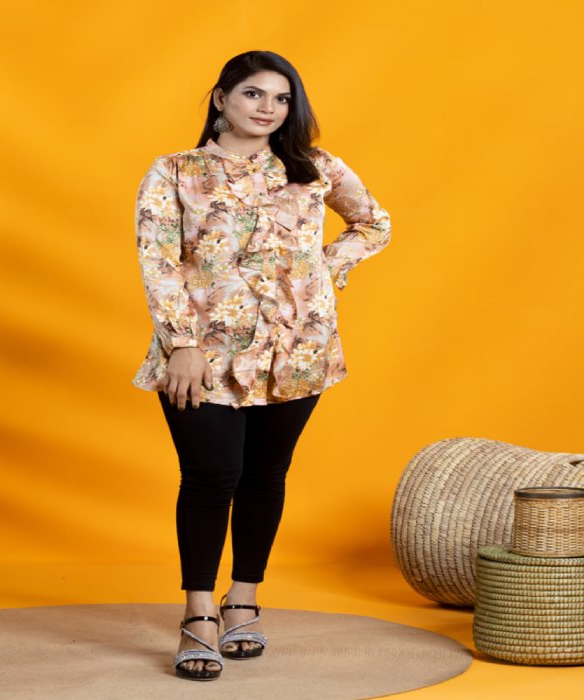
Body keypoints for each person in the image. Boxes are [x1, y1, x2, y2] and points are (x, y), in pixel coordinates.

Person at [132, 50, 391, 681]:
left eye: (281, 99)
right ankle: (198, 614)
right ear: (221, 98)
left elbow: (373, 223)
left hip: (297, 348)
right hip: (202, 353)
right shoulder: (175, 171)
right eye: (253, 94)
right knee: (210, 476)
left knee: (266, 475)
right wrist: (181, 343)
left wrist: (324, 269)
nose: (268, 108)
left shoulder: (315, 167)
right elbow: (158, 260)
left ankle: (243, 599)